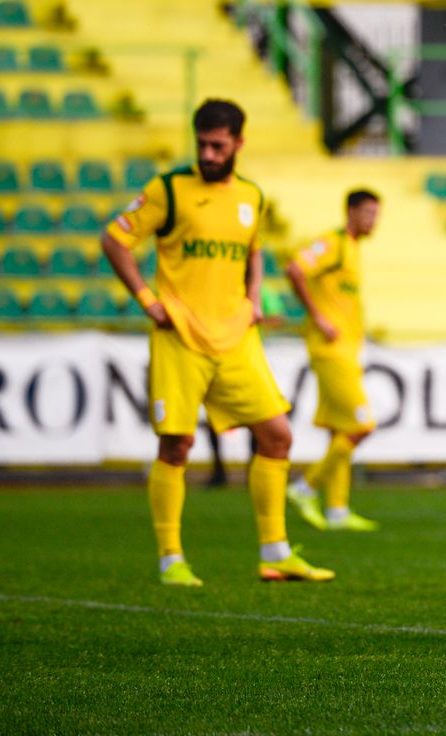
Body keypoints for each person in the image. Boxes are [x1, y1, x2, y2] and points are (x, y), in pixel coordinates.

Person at [101, 98, 333, 586]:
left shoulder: (252, 196)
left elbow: (253, 251)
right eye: (202, 144)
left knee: (277, 435)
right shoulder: (166, 190)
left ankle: (275, 552)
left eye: (217, 146)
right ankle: (171, 558)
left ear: (238, 145)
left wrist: (252, 299)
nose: (207, 154)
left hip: (236, 337)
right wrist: (146, 299)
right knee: (177, 444)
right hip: (179, 335)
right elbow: (114, 240)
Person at [285, 189, 382, 532]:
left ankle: (337, 510)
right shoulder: (332, 243)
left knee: (339, 430)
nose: (374, 220)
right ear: (351, 212)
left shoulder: (352, 249)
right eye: (369, 213)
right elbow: (295, 268)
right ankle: (304, 487)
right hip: (330, 350)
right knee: (360, 425)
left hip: (346, 350)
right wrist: (319, 317)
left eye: (376, 214)